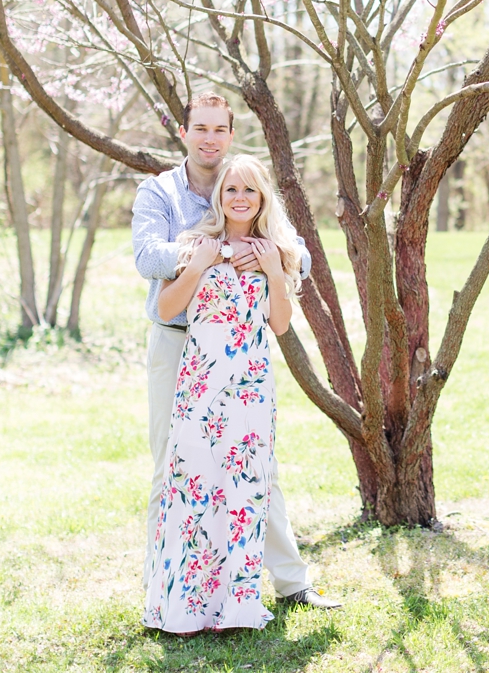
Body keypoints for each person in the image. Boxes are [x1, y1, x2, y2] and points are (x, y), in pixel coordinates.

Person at [132, 91, 339, 616]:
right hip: (178, 341)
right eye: (199, 128)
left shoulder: (244, 185)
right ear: (183, 132)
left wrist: (265, 257)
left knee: (254, 467)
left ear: (229, 133)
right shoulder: (160, 193)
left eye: (218, 129)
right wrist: (212, 255)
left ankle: (291, 582)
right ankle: (170, 591)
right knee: (173, 467)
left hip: (241, 357)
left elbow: (301, 256)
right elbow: (148, 257)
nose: (209, 138)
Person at [143, 154, 299, 632]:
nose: (239, 198)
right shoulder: (194, 242)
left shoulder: (276, 249)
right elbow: (167, 307)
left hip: (250, 387)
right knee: (193, 488)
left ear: (262, 198)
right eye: (231, 189)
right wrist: (199, 265)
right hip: (200, 383)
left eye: (249, 190)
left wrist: (274, 270)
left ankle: (237, 606)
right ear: (219, 196)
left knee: (245, 489)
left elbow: (281, 323)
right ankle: (185, 607)